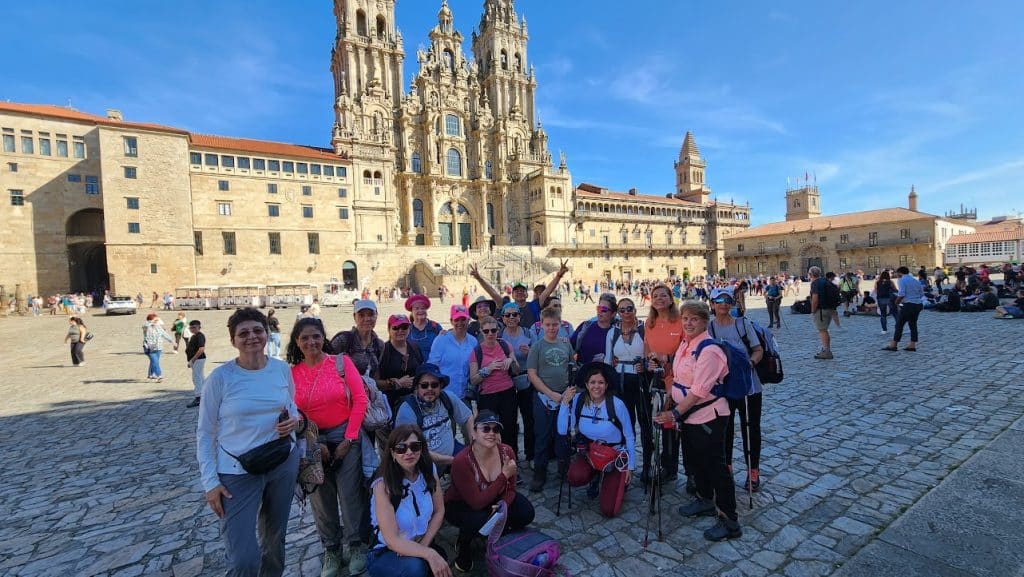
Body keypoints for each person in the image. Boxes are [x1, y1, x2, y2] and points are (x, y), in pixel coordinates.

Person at [196, 308, 301, 577]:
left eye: (257, 330)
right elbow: (206, 433)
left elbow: (291, 406)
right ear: (233, 340)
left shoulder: (280, 369)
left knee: (274, 539)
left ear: (267, 334)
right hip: (237, 471)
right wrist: (210, 482)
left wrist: (294, 421)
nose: (252, 337)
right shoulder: (220, 379)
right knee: (244, 557)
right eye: (243, 333)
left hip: (281, 462)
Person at [288, 317, 370, 577]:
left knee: (350, 494)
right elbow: (290, 410)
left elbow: (359, 399)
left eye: (316, 336)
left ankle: (356, 544)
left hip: (344, 434)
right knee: (320, 498)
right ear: (297, 342)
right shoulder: (291, 373)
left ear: (324, 338)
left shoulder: (340, 363)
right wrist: (313, 442)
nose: (311, 342)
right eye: (305, 338)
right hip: (311, 438)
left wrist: (349, 438)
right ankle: (331, 549)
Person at [653, 300, 741, 542]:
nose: (689, 323)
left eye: (694, 319)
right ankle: (704, 499)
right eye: (685, 318)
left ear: (705, 322)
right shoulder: (686, 344)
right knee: (695, 460)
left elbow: (700, 390)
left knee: (716, 466)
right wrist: (670, 402)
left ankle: (729, 519)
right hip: (689, 416)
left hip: (708, 416)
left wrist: (675, 414)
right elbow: (680, 378)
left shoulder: (709, 350)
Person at [445, 410, 535, 572]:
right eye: (485, 429)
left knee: (526, 512)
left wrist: (502, 505)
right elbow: (476, 502)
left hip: (493, 499)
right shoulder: (462, 461)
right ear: (473, 433)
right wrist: (503, 475)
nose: (491, 433)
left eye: (496, 429)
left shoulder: (506, 452)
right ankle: (464, 543)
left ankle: (503, 537)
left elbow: (512, 489)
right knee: (479, 519)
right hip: (461, 504)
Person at [368, 425, 451, 577]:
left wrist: (425, 546)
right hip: (388, 551)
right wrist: (429, 554)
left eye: (415, 446)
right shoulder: (383, 484)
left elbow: (439, 511)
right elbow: (391, 539)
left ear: (421, 449)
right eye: (401, 448)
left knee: (440, 562)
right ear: (393, 453)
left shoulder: (428, 470)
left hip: (419, 543)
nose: (409, 452)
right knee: (416, 568)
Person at [558, 362, 635, 517]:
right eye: (592, 382)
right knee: (574, 477)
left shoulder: (617, 404)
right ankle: (595, 474)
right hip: (590, 452)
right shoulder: (578, 400)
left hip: (614, 455)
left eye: (601, 382)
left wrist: (630, 467)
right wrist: (565, 404)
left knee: (609, 510)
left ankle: (613, 478)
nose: (596, 386)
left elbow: (629, 435)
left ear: (606, 385)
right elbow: (562, 430)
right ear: (586, 384)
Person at [708, 289, 764, 492]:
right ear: (712, 303)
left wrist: (749, 363)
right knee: (726, 428)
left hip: (749, 385)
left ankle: (753, 471)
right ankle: (727, 468)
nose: (724, 303)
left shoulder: (742, 324)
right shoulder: (709, 328)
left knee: (751, 428)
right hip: (725, 387)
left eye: (728, 300)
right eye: (719, 300)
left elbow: (758, 350)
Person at [643, 284, 688, 490]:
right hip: (657, 381)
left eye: (664, 295)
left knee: (678, 426)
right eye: (655, 296)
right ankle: (667, 466)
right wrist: (649, 362)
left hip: (678, 380)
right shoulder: (649, 323)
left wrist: (667, 357)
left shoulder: (680, 322)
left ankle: (688, 470)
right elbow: (646, 350)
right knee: (661, 424)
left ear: (671, 299)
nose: (659, 298)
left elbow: (688, 350)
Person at [526, 306, 575, 492]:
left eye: (555, 324)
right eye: (548, 325)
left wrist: (568, 393)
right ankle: (540, 472)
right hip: (543, 398)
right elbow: (532, 374)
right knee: (542, 436)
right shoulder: (537, 347)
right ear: (542, 325)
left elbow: (571, 366)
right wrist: (549, 393)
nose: (552, 328)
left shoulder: (565, 343)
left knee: (562, 435)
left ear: (560, 324)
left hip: (564, 397)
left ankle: (564, 469)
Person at [394, 364, 474, 469]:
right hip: (421, 461)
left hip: (451, 451)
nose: (430, 389)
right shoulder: (408, 410)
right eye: (424, 385)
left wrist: (474, 443)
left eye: (434, 385)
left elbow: (468, 417)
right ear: (416, 387)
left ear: (440, 386)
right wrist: (453, 460)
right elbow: (411, 449)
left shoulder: (447, 398)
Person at [608, 297, 653, 483]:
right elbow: (608, 360)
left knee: (645, 423)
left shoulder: (644, 329)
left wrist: (643, 364)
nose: (626, 313)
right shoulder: (613, 332)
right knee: (625, 425)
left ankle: (647, 465)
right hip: (620, 382)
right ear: (618, 312)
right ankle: (626, 465)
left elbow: (649, 354)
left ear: (635, 309)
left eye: (629, 309)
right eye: (622, 310)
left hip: (640, 380)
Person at [469, 260, 569, 330]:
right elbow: (493, 293)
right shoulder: (507, 307)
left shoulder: (534, 305)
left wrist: (559, 275)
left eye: (522, 290)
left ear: (527, 294)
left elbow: (547, 291)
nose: (520, 292)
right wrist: (479, 278)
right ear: (512, 294)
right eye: (517, 291)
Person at [469, 316, 519, 448]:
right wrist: (488, 369)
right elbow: (473, 380)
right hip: (487, 396)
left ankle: (511, 456)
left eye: (493, 330)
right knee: (488, 430)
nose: (490, 334)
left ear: (498, 330)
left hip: (507, 393)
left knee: (510, 427)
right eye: (486, 331)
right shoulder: (477, 351)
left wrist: (510, 360)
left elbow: (517, 369)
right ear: (481, 331)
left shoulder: (505, 345)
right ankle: (492, 457)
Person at [497, 301, 536, 464]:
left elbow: (537, 355)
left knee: (529, 418)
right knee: (509, 420)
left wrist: (530, 353)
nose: (512, 317)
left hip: (526, 379)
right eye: (508, 315)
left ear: (520, 317)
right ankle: (511, 454)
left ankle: (530, 453)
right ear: (503, 318)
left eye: (515, 314)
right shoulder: (499, 335)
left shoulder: (528, 333)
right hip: (507, 381)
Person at [426, 305, 476, 401]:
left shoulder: (473, 341)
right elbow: (431, 366)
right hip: (443, 395)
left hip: (463, 396)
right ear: (451, 321)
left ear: (468, 320)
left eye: (463, 319)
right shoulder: (441, 339)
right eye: (456, 320)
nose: (460, 323)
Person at [376, 314, 424, 412]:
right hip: (390, 405)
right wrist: (397, 383)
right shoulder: (383, 351)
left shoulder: (415, 347)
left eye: (404, 327)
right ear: (389, 329)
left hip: (415, 403)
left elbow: (421, 371)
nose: (400, 331)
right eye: (395, 327)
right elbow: (374, 382)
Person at [330, 300, 384, 377]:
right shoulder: (342, 340)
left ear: (376, 316)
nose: (367, 319)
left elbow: (376, 376)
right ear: (354, 317)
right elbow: (325, 364)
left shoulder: (379, 345)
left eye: (371, 314)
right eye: (361, 315)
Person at [883, 266, 924, 352]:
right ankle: (912, 344)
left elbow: (901, 294)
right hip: (917, 304)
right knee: (913, 324)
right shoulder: (915, 280)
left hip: (908, 305)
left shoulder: (902, 280)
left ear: (900, 273)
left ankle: (894, 344)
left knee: (899, 325)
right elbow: (921, 293)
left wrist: (896, 302)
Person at [571, 293, 618, 364]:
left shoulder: (617, 332)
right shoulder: (585, 327)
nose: (600, 312)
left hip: (607, 373)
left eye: (604, 309)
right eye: (599, 308)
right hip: (584, 372)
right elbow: (570, 348)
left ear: (613, 314)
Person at [808, 266, 836, 359]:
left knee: (823, 331)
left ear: (811, 274)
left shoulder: (815, 283)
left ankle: (827, 352)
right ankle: (826, 349)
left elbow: (815, 299)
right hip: (829, 309)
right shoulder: (825, 280)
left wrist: (812, 310)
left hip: (821, 310)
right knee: (824, 330)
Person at [406, 294, 444, 360]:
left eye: (423, 308)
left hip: (432, 367)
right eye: (417, 308)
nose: (420, 311)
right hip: (413, 368)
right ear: (411, 311)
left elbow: (444, 348)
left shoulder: (435, 327)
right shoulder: (407, 329)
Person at [143, 313, 175, 381]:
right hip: (149, 347)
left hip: (158, 347)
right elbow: (146, 325)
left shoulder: (158, 326)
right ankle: (159, 376)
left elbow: (164, 334)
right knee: (155, 361)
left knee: (154, 361)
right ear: (150, 320)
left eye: (157, 320)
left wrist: (172, 341)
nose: (157, 321)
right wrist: (152, 322)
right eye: (156, 320)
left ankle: (150, 375)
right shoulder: (146, 326)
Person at [186, 320, 207, 408]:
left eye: (194, 327)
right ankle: (205, 394)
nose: (192, 329)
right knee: (200, 377)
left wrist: (192, 360)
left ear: (199, 327)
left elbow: (201, 349)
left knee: (196, 378)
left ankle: (198, 397)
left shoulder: (199, 336)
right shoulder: (194, 336)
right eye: (191, 327)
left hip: (198, 359)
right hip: (197, 359)